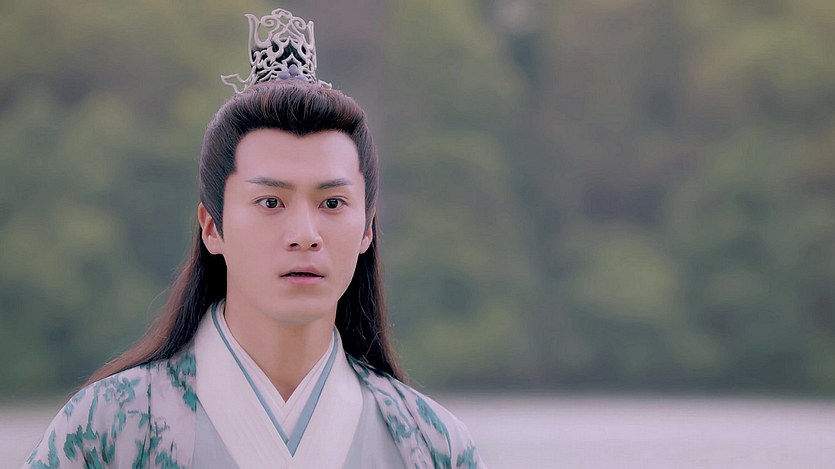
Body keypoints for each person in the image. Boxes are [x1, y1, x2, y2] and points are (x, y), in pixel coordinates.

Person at [24, 8, 485, 469]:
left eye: (332, 203)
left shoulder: (430, 444)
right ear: (212, 227)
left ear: (367, 229)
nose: (304, 236)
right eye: (270, 202)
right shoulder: (108, 428)